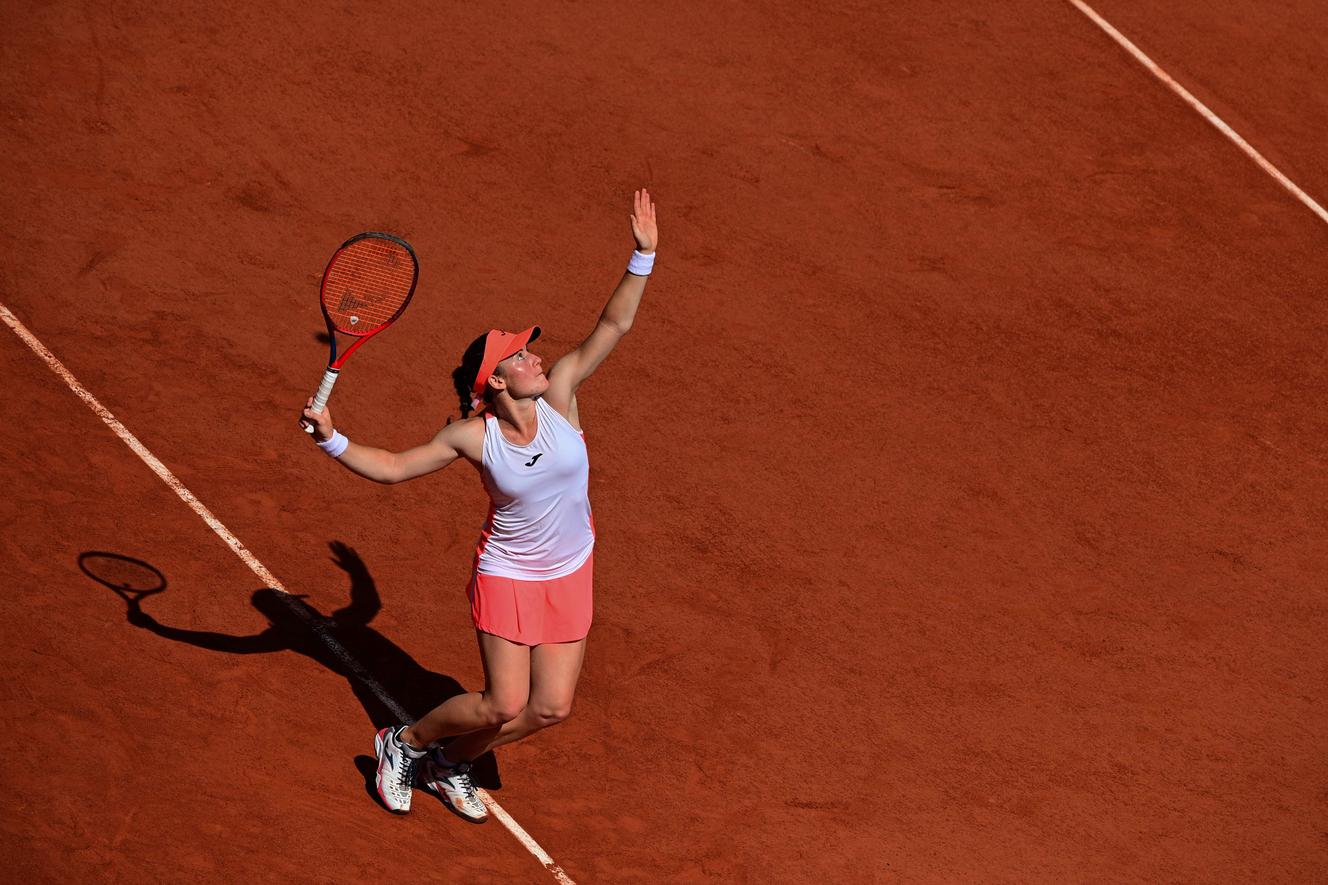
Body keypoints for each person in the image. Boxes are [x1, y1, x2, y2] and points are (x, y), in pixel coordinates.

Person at [300, 189, 658, 821]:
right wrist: (333, 439)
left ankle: (448, 762)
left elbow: (615, 325)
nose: (537, 355)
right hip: (510, 576)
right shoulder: (474, 436)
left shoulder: (563, 396)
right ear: (496, 380)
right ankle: (402, 744)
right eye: (520, 354)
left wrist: (642, 257)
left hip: (571, 570)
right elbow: (393, 468)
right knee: (502, 703)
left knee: (551, 708)